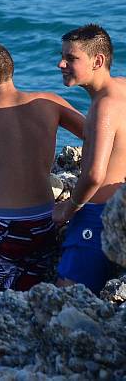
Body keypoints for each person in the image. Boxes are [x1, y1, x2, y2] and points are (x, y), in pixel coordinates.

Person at [0, 42, 84, 293]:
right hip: (43, 222)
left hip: (3, 226)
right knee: (32, 280)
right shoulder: (50, 102)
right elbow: (95, 135)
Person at [53, 24, 125, 294]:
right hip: (120, 207)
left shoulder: (104, 106)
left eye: (71, 58)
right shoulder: (123, 88)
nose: (61, 63)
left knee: (67, 297)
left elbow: (95, 174)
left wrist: (67, 209)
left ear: (98, 61)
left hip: (97, 217)